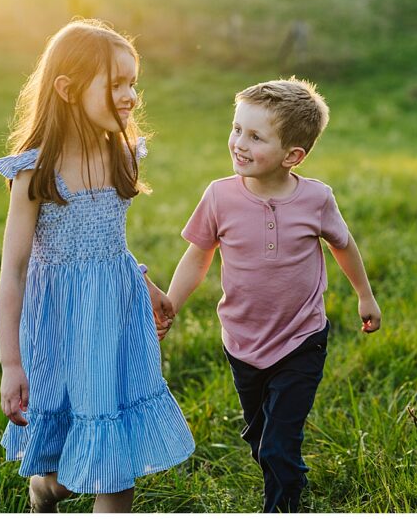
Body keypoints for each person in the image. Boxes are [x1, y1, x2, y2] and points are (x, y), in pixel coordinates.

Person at [154, 77, 382, 513]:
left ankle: (283, 506)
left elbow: (343, 244)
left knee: (279, 445)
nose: (239, 142)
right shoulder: (219, 196)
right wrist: (170, 305)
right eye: (237, 129)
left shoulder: (316, 199)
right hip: (242, 342)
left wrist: (364, 296)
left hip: (301, 339)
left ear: (292, 155)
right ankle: (281, 473)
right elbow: (198, 256)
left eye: (256, 137)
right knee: (261, 440)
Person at [0, 19, 194, 512]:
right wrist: (11, 363)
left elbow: (109, 242)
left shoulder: (122, 154)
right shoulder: (35, 172)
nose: (130, 95)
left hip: (115, 317)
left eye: (133, 83)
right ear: (67, 89)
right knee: (65, 450)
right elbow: (14, 271)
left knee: (114, 459)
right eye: (116, 84)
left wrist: (145, 283)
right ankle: (48, 487)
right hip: (60, 323)